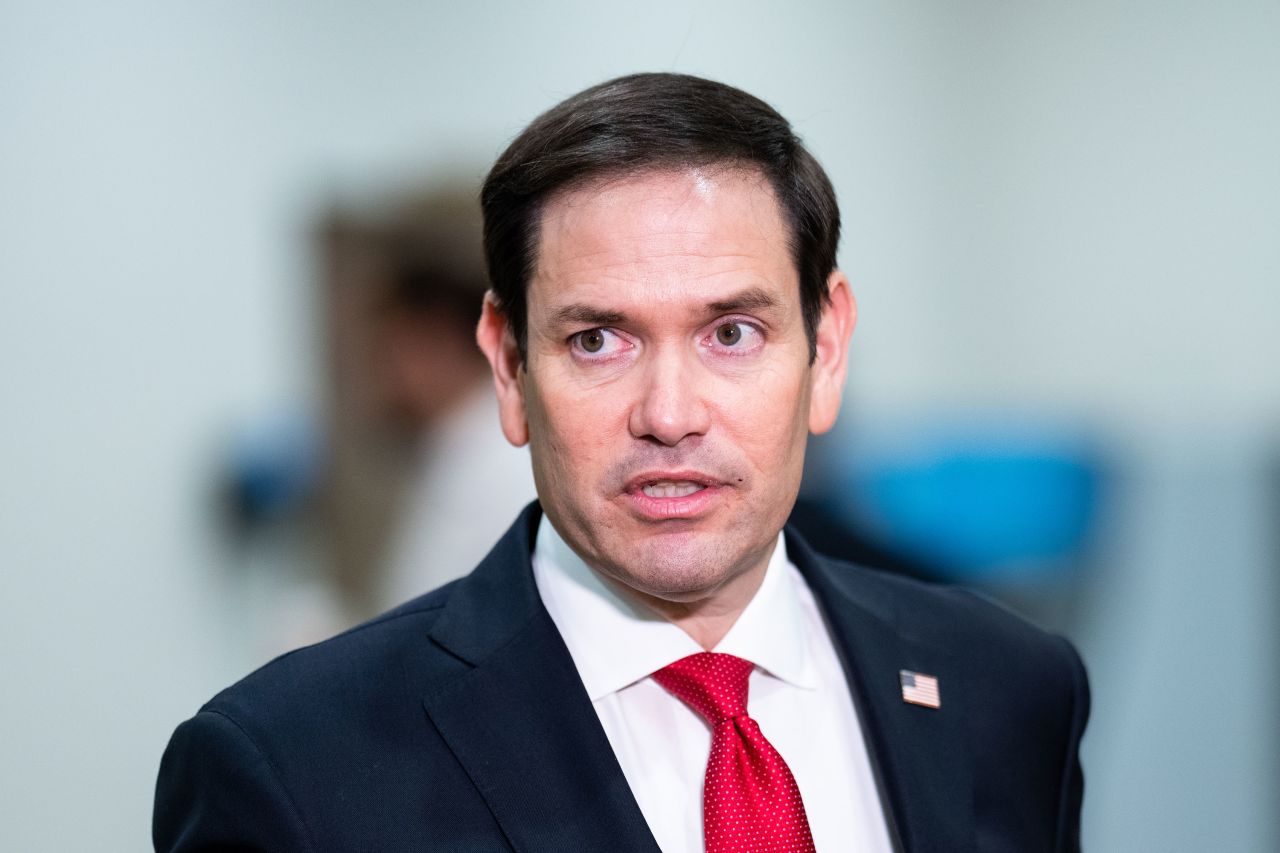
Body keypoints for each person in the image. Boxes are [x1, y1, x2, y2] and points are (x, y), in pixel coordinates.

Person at [154, 73, 1088, 853]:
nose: (670, 416)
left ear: (827, 347)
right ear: (511, 366)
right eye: (598, 339)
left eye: (732, 331)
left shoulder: (1006, 689)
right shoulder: (296, 770)